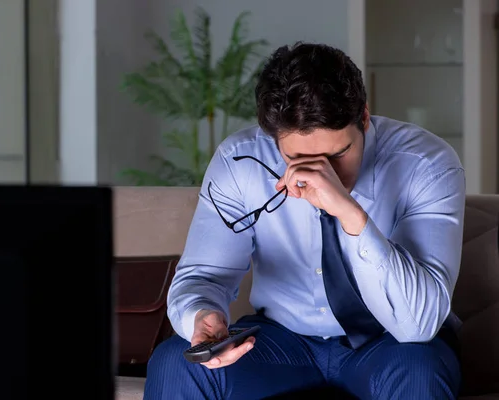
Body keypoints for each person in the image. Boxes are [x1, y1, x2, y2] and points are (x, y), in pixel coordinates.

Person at [143, 42, 465, 400]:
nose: (321, 173)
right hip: (282, 341)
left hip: (390, 344)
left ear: (364, 117)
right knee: (175, 361)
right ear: (274, 138)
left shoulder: (426, 163)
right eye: (297, 158)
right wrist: (202, 314)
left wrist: (350, 214)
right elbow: (203, 276)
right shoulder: (240, 163)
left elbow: (418, 325)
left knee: (420, 371)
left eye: (338, 153)